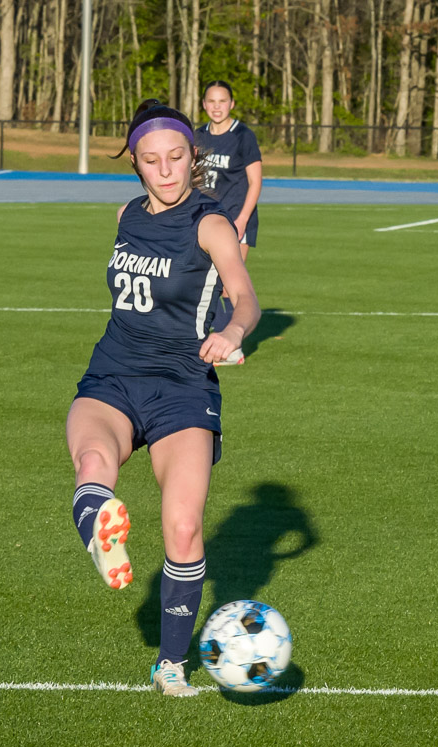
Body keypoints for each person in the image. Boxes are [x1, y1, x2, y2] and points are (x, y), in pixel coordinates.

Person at [66, 100, 260, 697]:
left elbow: (245, 296)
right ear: (136, 164)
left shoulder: (210, 223)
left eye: (176, 157)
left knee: (182, 526)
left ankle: (170, 664)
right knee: (94, 467)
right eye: (151, 161)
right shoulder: (124, 215)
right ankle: (101, 528)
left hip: (182, 386)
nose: (167, 171)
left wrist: (231, 332)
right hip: (114, 375)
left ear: (192, 156)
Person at [195, 80, 263, 365]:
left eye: (222, 101)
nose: (217, 107)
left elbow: (255, 181)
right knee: (202, 281)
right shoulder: (197, 136)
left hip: (236, 219)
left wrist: (242, 219)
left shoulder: (242, 136)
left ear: (232, 104)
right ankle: (208, 339)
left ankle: (231, 346)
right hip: (207, 221)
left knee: (227, 283)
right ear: (204, 105)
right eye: (211, 101)